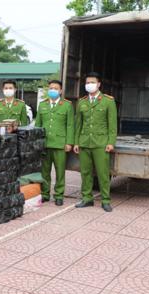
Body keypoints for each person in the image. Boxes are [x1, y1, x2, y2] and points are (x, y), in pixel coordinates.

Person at [73, 72, 117, 212]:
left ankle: (105, 200)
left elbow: (112, 124)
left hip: (101, 143)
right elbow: (78, 124)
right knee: (85, 172)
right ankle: (87, 198)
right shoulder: (82, 102)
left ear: (98, 84)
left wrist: (111, 142)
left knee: (103, 173)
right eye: (87, 83)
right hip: (85, 142)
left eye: (92, 82)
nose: (89, 85)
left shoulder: (108, 101)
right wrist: (76, 142)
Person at [35, 80, 74, 206]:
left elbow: (70, 125)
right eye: (51, 88)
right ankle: (45, 194)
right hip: (45, 144)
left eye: (55, 88)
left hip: (60, 144)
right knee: (45, 171)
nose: (53, 90)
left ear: (60, 91)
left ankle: (59, 195)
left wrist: (69, 142)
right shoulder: (42, 105)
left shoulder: (67, 105)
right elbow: (37, 126)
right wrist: (37, 143)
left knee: (60, 171)